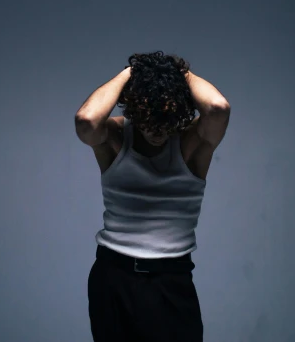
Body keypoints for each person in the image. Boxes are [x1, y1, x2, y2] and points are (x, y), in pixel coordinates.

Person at [74, 51, 231, 342]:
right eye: (148, 121)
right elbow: (86, 119)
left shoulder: (191, 142)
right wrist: (132, 73)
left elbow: (218, 108)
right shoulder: (115, 137)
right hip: (113, 276)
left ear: (180, 112)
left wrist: (177, 73)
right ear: (133, 109)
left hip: (170, 280)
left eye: (166, 122)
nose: (157, 133)